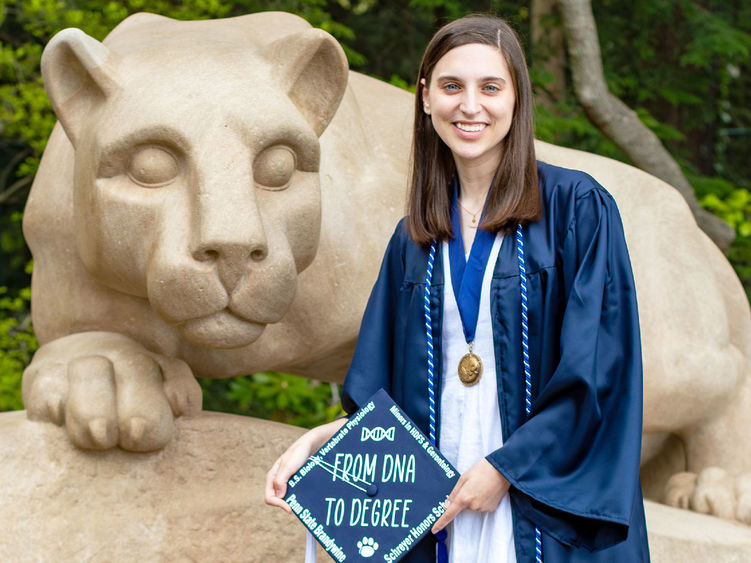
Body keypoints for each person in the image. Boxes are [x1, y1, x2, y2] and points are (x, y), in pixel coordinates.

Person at [265, 14, 650, 563]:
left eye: (490, 87)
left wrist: (503, 470)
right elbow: (388, 395)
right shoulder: (414, 237)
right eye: (452, 86)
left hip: (537, 505)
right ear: (425, 98)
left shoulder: (576, 209)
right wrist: (322, 441)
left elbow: (598, 372)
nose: (470, 105)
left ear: (517, 99)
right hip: (438, 505)